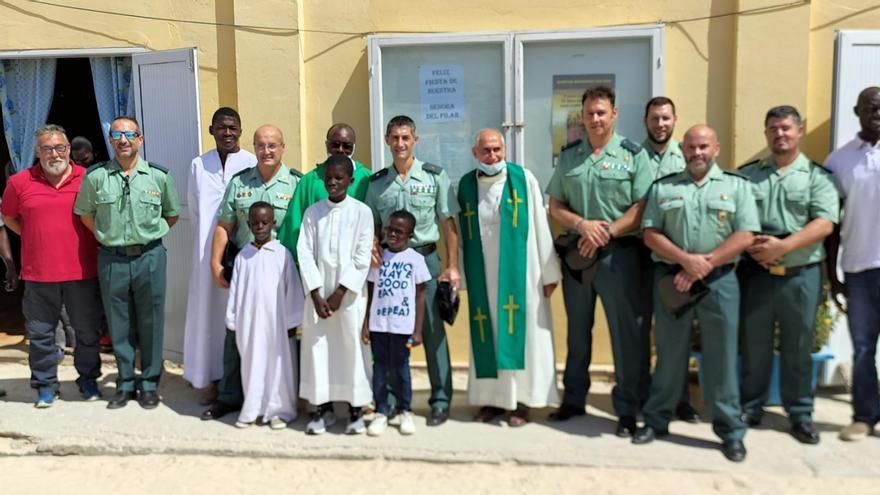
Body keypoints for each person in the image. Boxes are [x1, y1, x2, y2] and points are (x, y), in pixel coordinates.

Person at [633, 124, 759, 462]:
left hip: (719, 281)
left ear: (716, 148)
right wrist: (686, 262)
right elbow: (650, 233)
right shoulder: (665, 187)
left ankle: (730, 431)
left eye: (703, 146)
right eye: (690, 147)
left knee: (721, 360)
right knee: (669, 355)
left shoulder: (737, 186)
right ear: (683, 150)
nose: (697, 152)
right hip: (675, 279)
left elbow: (746, 234)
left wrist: (706, 263)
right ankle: (657, 420)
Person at [546, 86, 653, 437]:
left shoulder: (633, 155)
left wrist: (604, 232)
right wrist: (582, 225)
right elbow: (556, 204)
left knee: (625, 336)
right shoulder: (569, 156)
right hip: (578, 254)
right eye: (589, 113)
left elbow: (640, 208)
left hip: (618, 255)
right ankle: (574, 399)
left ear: (614, 114)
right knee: (578, 332)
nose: (595, 119)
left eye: (601, 113)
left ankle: (627, 409)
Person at [737, 106, 839, 445]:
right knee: (754, 346)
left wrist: (782, 246)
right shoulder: (747, 176)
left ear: (800, 130)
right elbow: (735, 218)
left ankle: (800, 414)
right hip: (757, 275)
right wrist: (755, 246)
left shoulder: (817, 176)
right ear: (765, 133)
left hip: (801, 275)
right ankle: (751, 407)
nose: (779, 134)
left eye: (785, 128)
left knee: (798, 348)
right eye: (773, 129)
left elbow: (824, 223)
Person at [74, 116, 181, 410]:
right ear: (110, 140)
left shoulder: (159, 176)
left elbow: (172, 214)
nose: (123, 140)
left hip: (150, 257)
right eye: (117, 135)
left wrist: (147, 236)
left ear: (140, 139)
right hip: (112, 259)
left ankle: (148, 384)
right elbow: (85, 214)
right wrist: (106, 236)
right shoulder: (96, 177)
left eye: (129, 134)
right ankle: (124, 383)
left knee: (151, 322)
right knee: (117, 324)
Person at [459, 129, 562, 426]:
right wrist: (463, 279)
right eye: (486, 151)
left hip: (522, 275)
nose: (493, 156)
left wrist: (548, 273)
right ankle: (492, 400)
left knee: (522, 334)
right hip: (484, 277)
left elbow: (541, 226)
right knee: (487, 332)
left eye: (497, 150)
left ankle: (520, 402)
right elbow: (466, 238)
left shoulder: (523, 179)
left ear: (505, 149)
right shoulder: (467, 186)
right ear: (475, 153)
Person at [201, 124, 301, 421]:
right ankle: (231, 397)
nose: (266, 151)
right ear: (253, 148)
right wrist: (216, 263)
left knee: (285, 336)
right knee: (236, 334)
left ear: (283, 148)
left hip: (282, 271)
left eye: (273, 145)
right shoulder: (240, 182)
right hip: (246, 268)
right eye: (261, 145)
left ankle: (286, 398)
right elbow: (224, 224)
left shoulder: (297, 183)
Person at [365, 115, 461, 426]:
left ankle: (441, 400)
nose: (400, 143)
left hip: (426, 260)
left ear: (415, 140)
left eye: (406, 137)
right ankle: (391, 401)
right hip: (390, 266)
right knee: (390, 332)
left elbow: (448, 225)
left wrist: (451, 267)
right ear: (387, 140)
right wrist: (371, 247)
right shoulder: (377, 184)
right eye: (394, 138)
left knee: (432, 331)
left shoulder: (434, 176)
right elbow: (371, 226)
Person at [2, 125, 101, 408]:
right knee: (41, 333)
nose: (53, 153)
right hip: (38, 274)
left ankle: (88, 379)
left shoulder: (89, 179)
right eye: (47, 148)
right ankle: (46, 385)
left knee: (86, 331)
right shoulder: (20, 182)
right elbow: (9, 217)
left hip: (82, 271)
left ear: (69, 149)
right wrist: (33, 235)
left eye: (59, 147)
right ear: (37, 152)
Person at [183, 107, 256, 405]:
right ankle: (209, 379)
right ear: (211, 129)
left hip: (242, 252)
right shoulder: (199, 165)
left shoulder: (251, 162)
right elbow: (196, 209)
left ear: (240, 130)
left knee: (240, 317)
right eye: (221, 127)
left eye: (233, 127)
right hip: (206, 256)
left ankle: (242, 381)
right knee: (208, 317)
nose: (227, 132)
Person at [298, 155, 374, 435]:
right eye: (329, 177)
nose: (333, 182)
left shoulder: (362, 213)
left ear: (350, 181)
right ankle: (322, 410)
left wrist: (340, 293)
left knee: (351, 348)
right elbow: (304, 253)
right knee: (319, 350)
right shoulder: (312, 213)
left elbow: (362, 257)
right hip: (317, 298)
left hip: (350, 298)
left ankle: (355, 412)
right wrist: (317, 294)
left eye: (339, 178)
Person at [825, 86, 880, 441]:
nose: (877, 112)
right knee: (863, 349)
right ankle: (865, 416)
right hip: (858, 269)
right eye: (870, 107)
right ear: (856, 110)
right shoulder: (839, 161)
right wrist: (833, 277)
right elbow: (830, 226)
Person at [642, 97, 699, 424]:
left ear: (674, 119)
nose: (660, 124)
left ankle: (680, 400)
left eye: (665, 118)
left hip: (676, 258)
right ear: (645, 120)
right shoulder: (631, 157)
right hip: (637, 253)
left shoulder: (688, 155)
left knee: (676, 334)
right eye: (654, 118)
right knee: (638, 332)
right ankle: (643, 394)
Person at [225, 202, 304, 430]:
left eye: (265, 222)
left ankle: (280, 410)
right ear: (249, 224)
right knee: (252, 365)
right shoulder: (243, 256)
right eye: (255, 223)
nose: (260, 227)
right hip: (249, 324)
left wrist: (292, 321)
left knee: (279, 367)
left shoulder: (282, 255)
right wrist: (232, 318)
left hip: (277, 325)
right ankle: (253, 409)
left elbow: (293, 290)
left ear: (273, 223)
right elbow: (236, 290)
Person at [362, 209, 430, 436]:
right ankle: (381, 411)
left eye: (398, 231)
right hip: (379, 324)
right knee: (379, 368)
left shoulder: (416, 260)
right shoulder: (378, 259)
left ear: (410, 234)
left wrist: (418, 330)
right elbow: (370, 293)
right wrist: (366, 323)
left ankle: (405, 410)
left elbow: (420, 296)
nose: (392, 234)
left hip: (403, 326)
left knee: (401, 369)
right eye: (389, 229)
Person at [277, 123, 371, 260]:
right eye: (335, 144)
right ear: (327, 145)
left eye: (347, 146)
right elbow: (294, 225)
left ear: (354, 147)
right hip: (318, 263)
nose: (340, 150)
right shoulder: (309, 181)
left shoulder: (367, 178)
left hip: (356, 262)